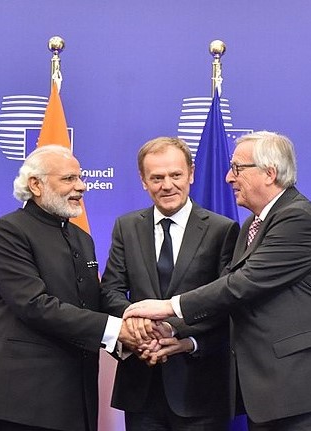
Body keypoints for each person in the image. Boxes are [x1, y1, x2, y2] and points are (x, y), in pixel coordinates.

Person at [124, 131, 311, 431]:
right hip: (270, 391)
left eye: (238, 168)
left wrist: (167, 308)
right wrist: (173, 331)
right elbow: (230, 290)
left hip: (308, 389)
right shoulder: (254, 224)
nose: (228, 177)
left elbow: (242, 285)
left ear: (269, 173)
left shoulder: (298, 218)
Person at [0, 145, 147, 431]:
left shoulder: (80, 237)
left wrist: (140, 326)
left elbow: (93, 302)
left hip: (76, 401)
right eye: (69, 179)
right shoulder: (8, 231)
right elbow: (34, 305)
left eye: (80, 177)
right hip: (20, 401)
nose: (81, 186)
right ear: (36, 185)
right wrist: (117, 330)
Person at [101, 137, 239, 431]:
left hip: (199, 387)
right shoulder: (126, 227)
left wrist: (174, 329)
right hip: (140, 384)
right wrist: (138, 321)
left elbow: (225, 300)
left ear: (191, 173)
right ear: (143, 180)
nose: (167, 185)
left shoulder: (222, 230)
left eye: (175, 175)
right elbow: (110, 290)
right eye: (157, 177)